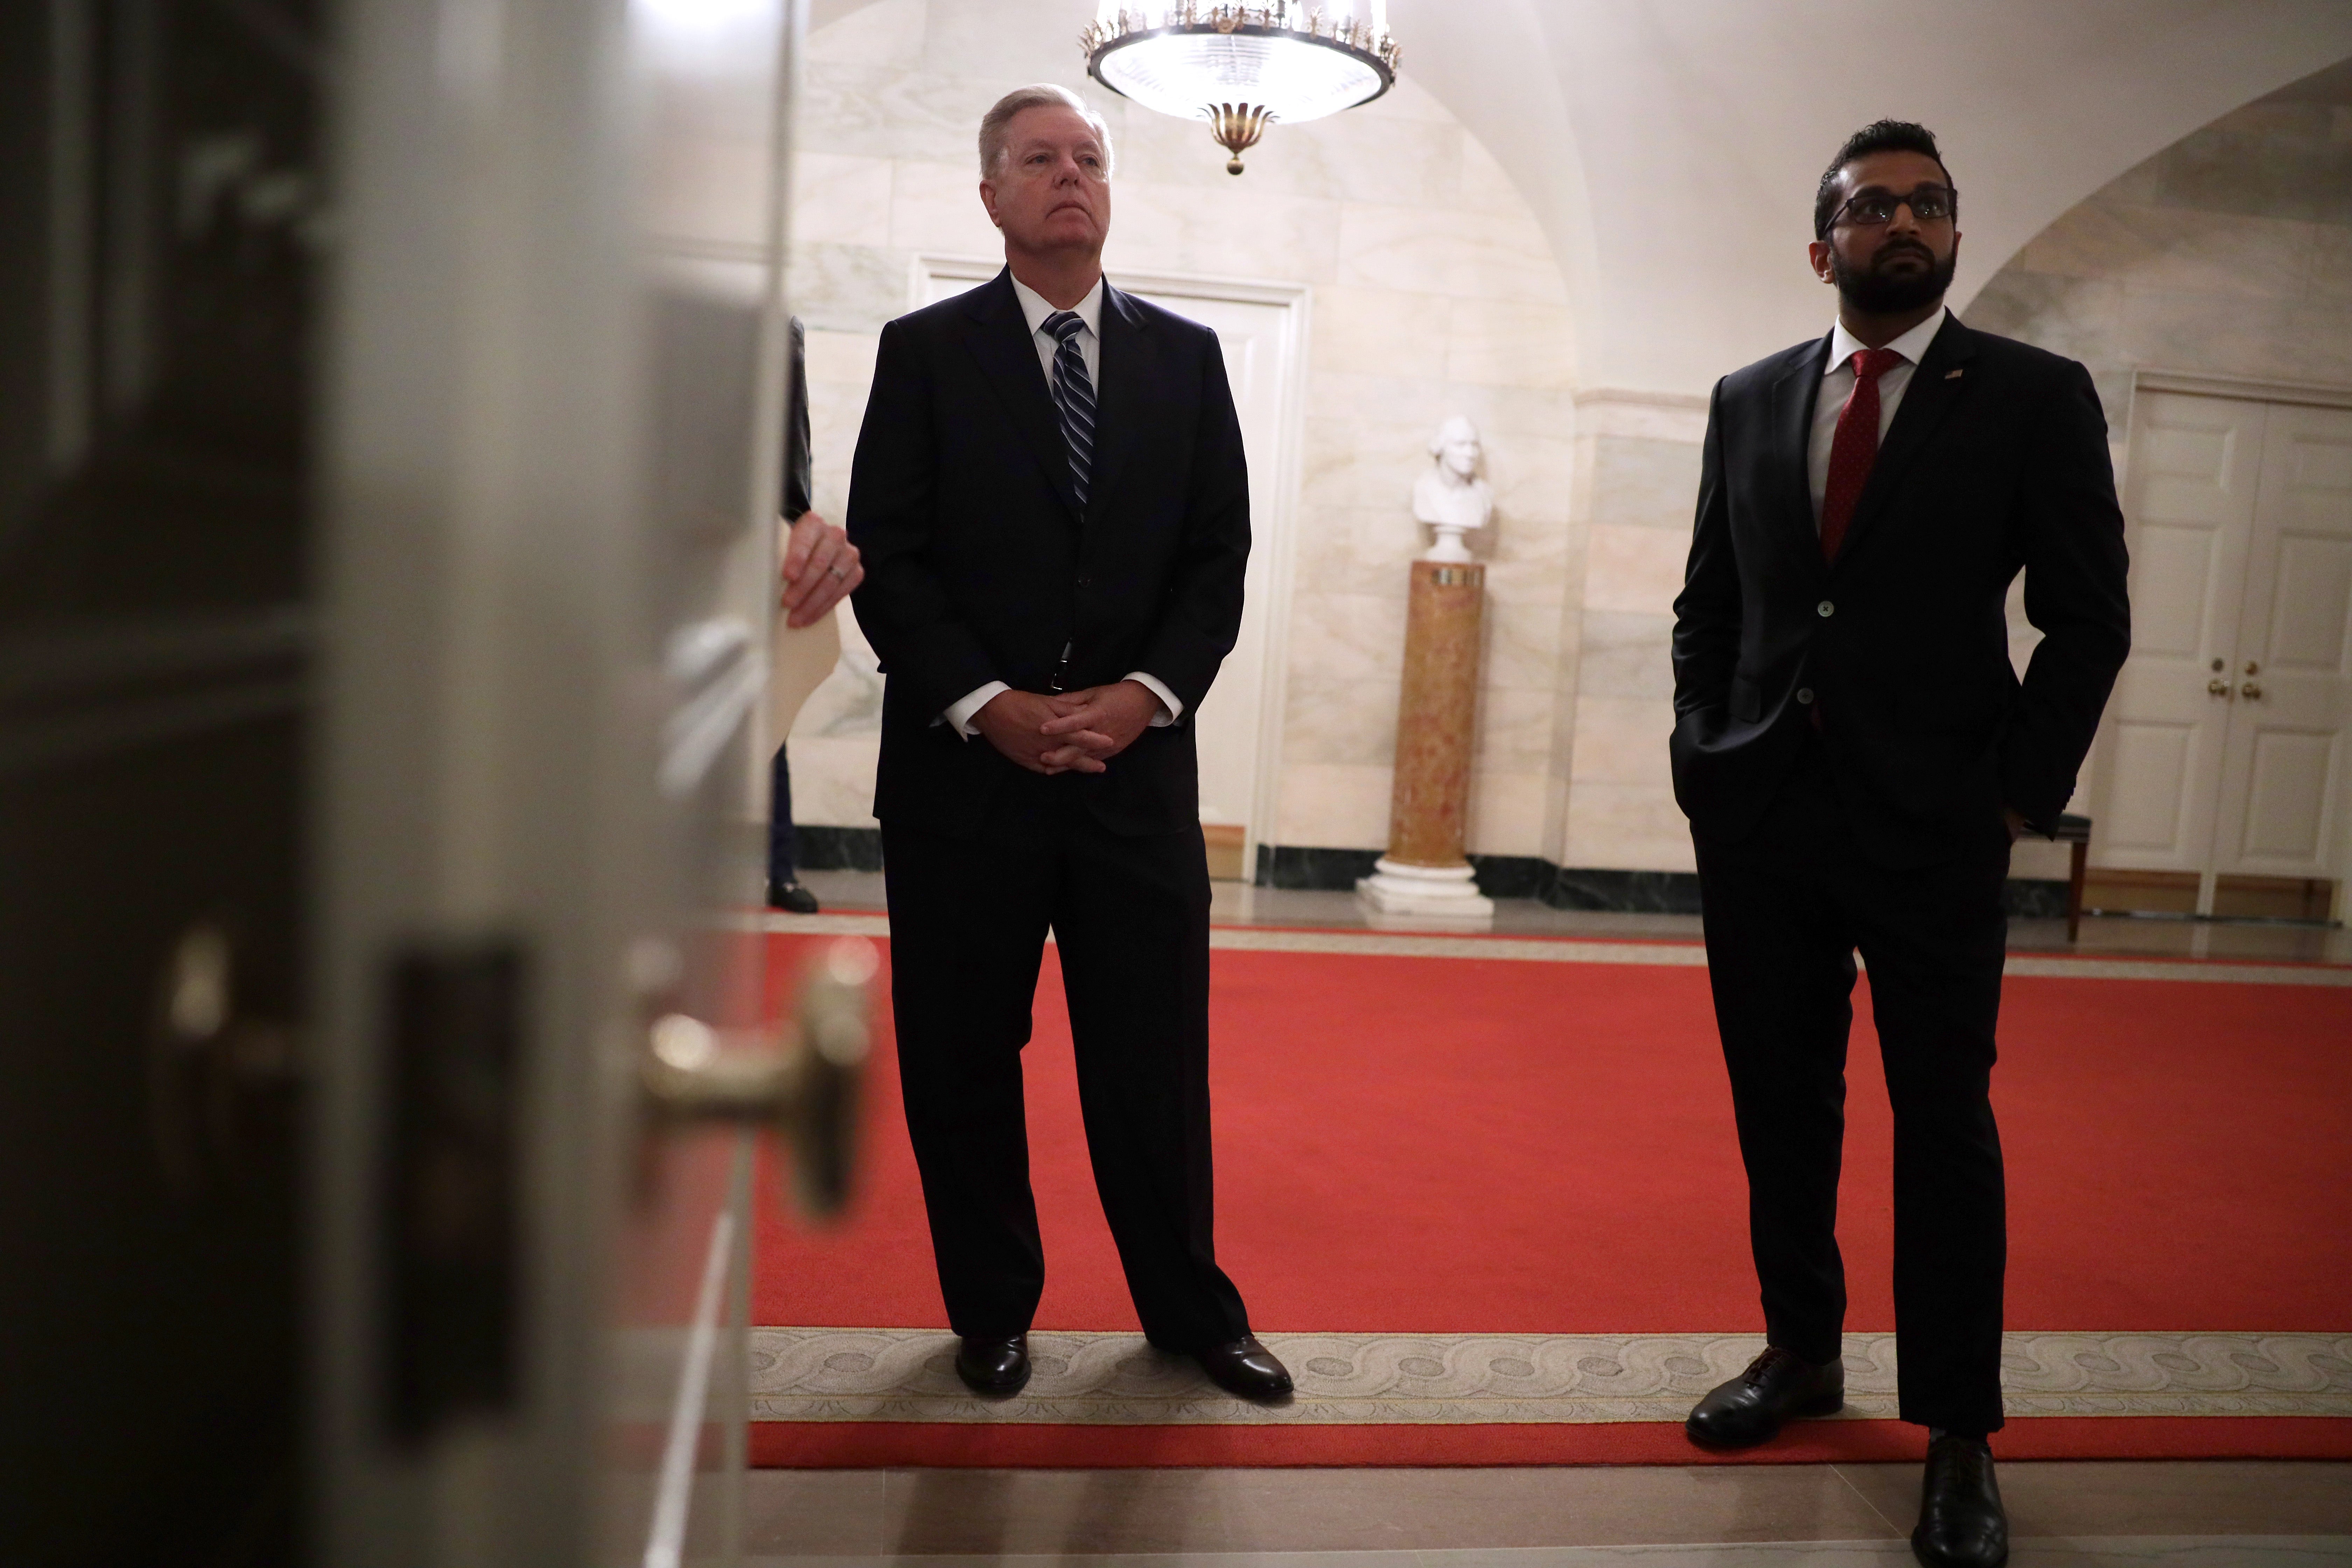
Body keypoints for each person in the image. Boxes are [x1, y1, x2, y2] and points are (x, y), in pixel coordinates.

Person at [1670, 121, 2129, 1568]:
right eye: (1874, 208)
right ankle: (1801, 1351)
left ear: (1951, 236)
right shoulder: (1750, 398)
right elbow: (1712, 603)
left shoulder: (2032, 396)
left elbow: (2088, 615)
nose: (1904, 223)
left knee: (1945, 1124)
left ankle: (1957, 1430)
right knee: (1780, 1107)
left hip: (1937, 824)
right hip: (1764, 816)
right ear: (1825, 247)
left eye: (1929, 204)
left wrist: (2013, 795)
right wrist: (1702, 750)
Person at [844, 82, 1288, 1402]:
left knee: (1153, 1062)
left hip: (1134, 781)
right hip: (964, 783)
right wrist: (992, 706)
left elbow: (1218, 560)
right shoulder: (924, 353)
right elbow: (894, 557)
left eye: (1089, 157)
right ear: (992, 197)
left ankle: (1192, 1315)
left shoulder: (1188, 359)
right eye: (1039, 159)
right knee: (964, 1059)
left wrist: (1145, 692)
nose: (1070, 175)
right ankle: (990, 1311)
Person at [768, 316, 856, 915]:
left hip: (760, 538)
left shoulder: (778, 330)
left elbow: (788, 449)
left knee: (769, 717)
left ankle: (779, 868)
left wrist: (796, 520)